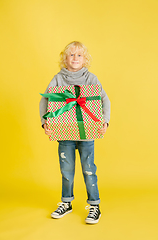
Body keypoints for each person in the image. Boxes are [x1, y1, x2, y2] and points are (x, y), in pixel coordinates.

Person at [39, 41, 110, 224]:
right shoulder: (58, 78)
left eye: (79, 55)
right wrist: (45, 121)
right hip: (64, 135)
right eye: (71, 54)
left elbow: (104, 99)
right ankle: (66, 203)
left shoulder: (91, 78)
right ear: (64, 58)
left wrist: (105, 121)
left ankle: (95, 205)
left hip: (87, 134)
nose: (75, 58)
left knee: (88, 169)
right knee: (66, 170)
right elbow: (45, 100)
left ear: (85, 59)